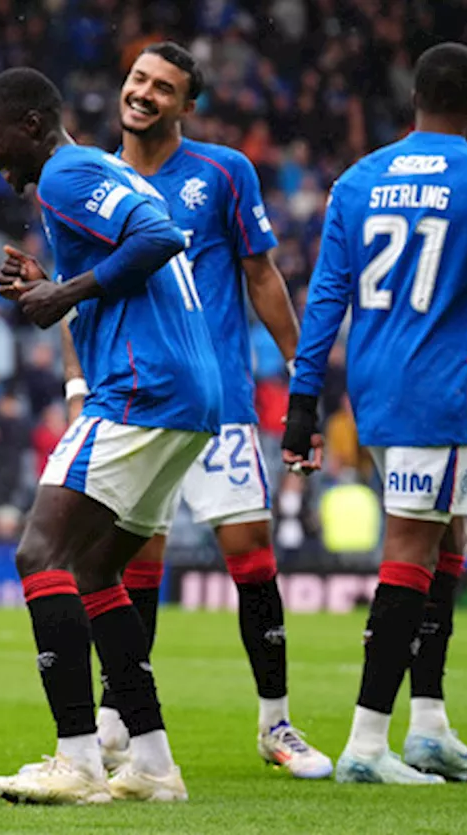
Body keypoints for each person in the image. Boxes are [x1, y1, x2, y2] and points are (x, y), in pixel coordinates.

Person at [82, 42, 330, 778]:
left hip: (218, 398)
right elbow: (82, 296)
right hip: (133, 400)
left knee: (251, 557)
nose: (144, 94)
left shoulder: (224, 172)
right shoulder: (94, 180)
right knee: (133, 567)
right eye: (137, 80)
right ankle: (116, 721)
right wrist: (79, 393)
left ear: (187, 105)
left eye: (163, 87)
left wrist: (303, 381)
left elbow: (262, 277)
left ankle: (276, 724)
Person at [0, 67, 220, 805]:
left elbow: (161, 236)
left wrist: (63, 291)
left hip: (143, 388)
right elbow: (135, 256)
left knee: (38, 550)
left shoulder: (68, 171)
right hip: (189, 391)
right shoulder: (100, 172)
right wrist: (54, 279)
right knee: (98, 572)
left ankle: (77, 759)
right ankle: (151, 762)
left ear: (35, 127)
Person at [284, 42, 467, 784]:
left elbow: (324, 299)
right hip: (433, 389)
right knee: (413, 551)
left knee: (447, 539)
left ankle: (430, 726)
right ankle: (366, 742)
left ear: (414, 97)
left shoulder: (358, 179)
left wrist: (301, 401)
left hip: (376, 387)